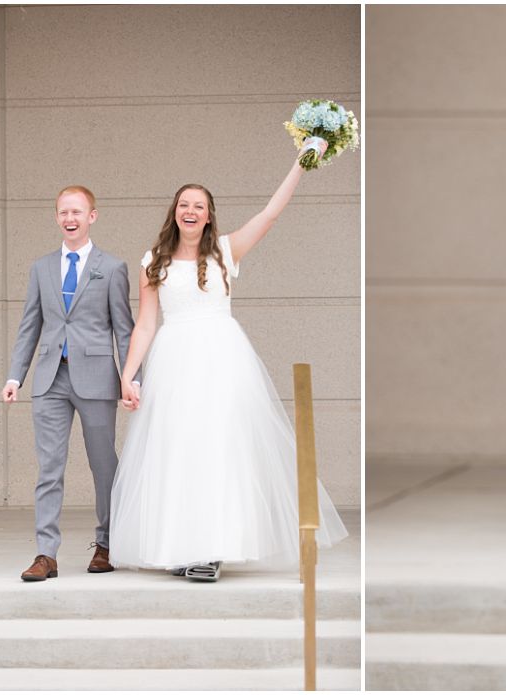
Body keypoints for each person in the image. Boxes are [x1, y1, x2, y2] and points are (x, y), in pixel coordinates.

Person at [109, 143, 348, 582]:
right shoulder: (152, 263)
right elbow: (144, 324)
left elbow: (270, 215)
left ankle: (212, 548)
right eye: (184, 204)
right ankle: (181, 545)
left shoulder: (225, 250)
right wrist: (129, 374)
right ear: (174, 212)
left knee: (217, 448)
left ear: (209, 214)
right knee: (177, 451)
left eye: (199, 205)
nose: (190, 211)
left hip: (220, 359)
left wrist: (301, 162)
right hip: (174, 361)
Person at [4, 185, 135, 582]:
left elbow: (125, 331)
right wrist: (15, 375)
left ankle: (107, 543)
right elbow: (30, 325)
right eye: (63, 212)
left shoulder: (112, 268)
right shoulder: (41, 268)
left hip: (96, 380)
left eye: (77, 212)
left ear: (92, 215)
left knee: (103, 465)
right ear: (57, 216)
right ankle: (46, 554)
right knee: (49, 468)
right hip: (49, 380)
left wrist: (133, 379)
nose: (70, 219)